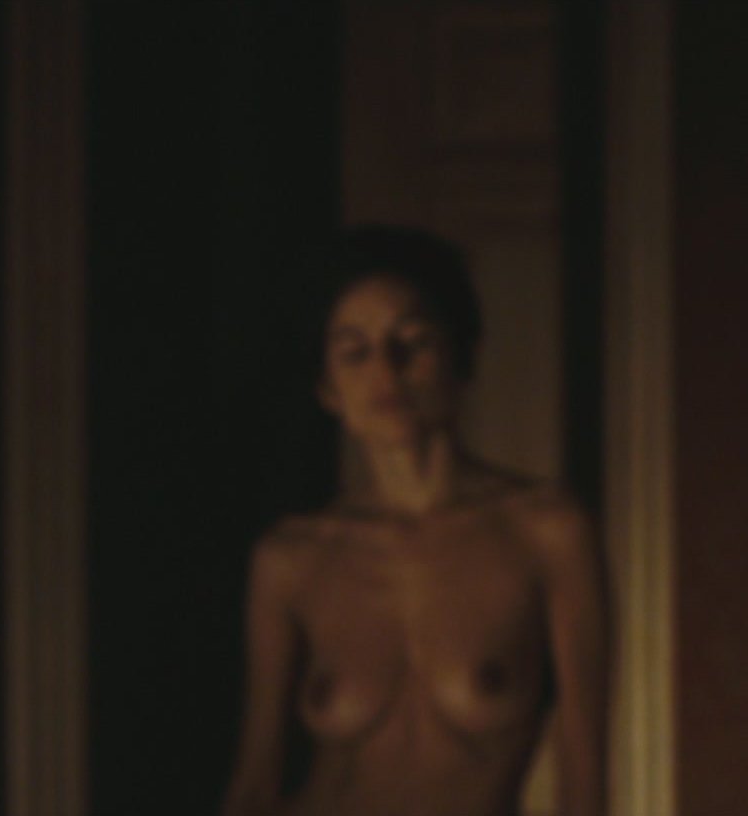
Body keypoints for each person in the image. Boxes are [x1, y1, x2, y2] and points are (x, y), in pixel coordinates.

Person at [220, 226, 605, 816]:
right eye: (356, 352)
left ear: (461, 358)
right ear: (328, 389)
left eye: (413, 341)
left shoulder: (546, 532)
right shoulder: (291, 559)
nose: (386, 369)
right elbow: (254, 787)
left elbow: (584, 785)